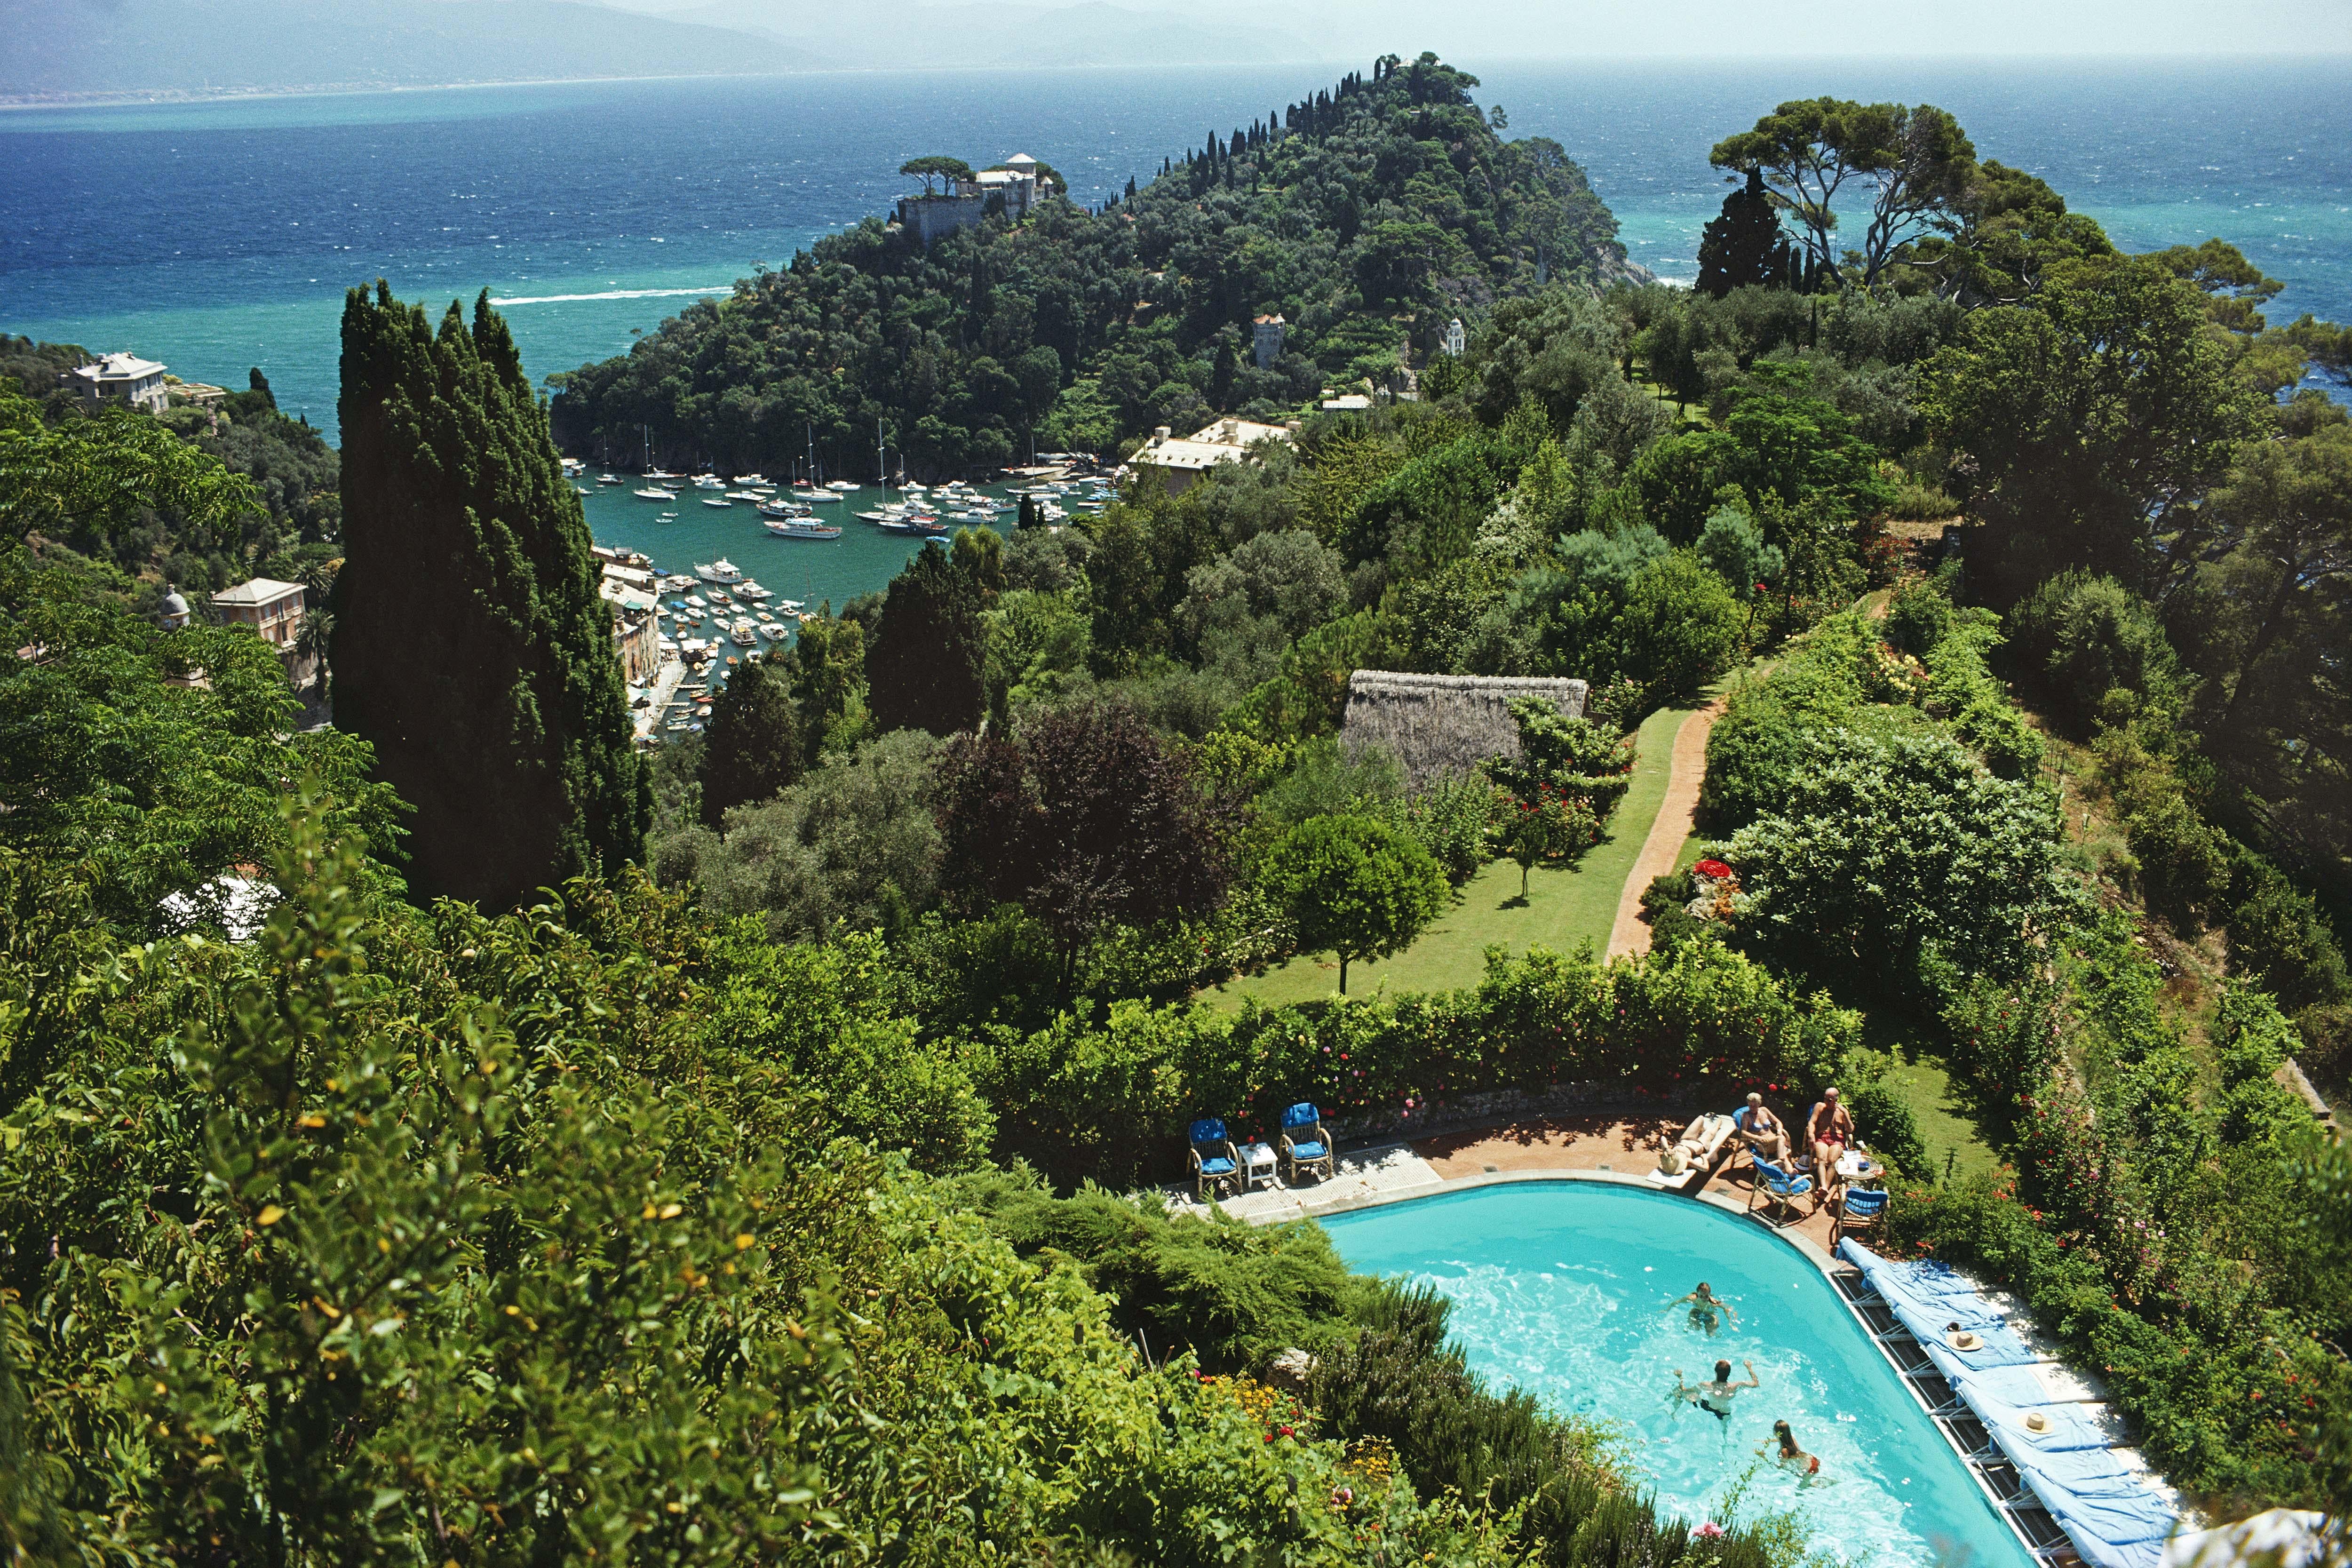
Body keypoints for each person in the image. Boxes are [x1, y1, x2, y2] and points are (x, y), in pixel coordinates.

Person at [1806, 1086, 1856, 1208]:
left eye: (1829, 1100)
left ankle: (1824, 1189)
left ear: (1836, 1100)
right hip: (1822, 1137)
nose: (1826, 1102)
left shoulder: (1842, 1111)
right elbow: (1812, 1122)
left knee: (1833, 1161)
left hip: (1837, 1139)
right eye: (1825, 1099)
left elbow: (1850, 1129)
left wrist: (1845, 1114)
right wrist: (1811, 1135)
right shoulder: (1820, 1107)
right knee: (1822, 1159)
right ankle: (1824, 1187)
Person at [1674, 1358, 1757, 1421]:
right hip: (1725, 1413)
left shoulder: (1706, 1385)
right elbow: (1756, 1384)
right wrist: (1749, 1368)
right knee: (1725, 1432)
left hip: (1708, 1408)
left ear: (1715, 1372)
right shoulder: (1735, 1386)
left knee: (1680, 1392)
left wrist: (1680, 1377)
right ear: (1729, 1373)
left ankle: (1674, 1413)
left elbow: (1686, 1390)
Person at [1669, 1281, 1740, 1337]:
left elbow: (1729, 1308)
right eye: (1701, 1296)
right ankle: (1687, 1328)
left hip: (1710, 1315)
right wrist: (1667, 1310)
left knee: (1710, 1335)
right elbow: (1677, 1302)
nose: (1703, 1298)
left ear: (1709, 1294)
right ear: (1697, 1294)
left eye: (1706, 1296)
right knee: (1696, 1328)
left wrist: (1731, 1324)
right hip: (1696, 1312)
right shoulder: (1692, 1298)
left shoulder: (1714, 1303)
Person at [1733, 1092, 1787, 1164]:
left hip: (1773, 1141)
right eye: (1750, 1106)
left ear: (1759, 1104)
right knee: (1781, 1139)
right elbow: (1743, 1132)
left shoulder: (1764, 1110)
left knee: (1784, 1157)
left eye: (1755, 1106)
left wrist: (1779, 1131)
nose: (1752, 1108)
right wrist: (1757, 1138)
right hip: (1762, 1144)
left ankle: (1788, 1171)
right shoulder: (1746, 1116)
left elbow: (1778, 1122)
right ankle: (1781, 1159)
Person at [1757, 1419, 1821, 1480]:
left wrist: (1763, 1457)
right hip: (1812, 1459)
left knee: (1802, 1488)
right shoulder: (1791, 1438)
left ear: (1776, 1433)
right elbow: (1781, 1439)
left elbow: (1781, 1467)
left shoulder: (1784, 1451)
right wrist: (1768, 1441)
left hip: (1809, 1468)